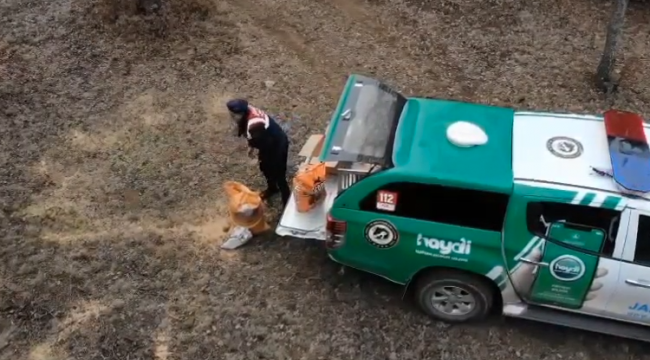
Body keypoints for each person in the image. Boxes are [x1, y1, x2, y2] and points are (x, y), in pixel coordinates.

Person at [226, 99, 291, 207]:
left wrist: (254, 147)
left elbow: (264, 143)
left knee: (279, 174)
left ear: (240, 113)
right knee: (265, 167)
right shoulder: (247, 109)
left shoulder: (255, 125)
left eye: (234, 115)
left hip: (277, 145)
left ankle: (287, 203)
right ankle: (272, 188)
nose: (232, 117)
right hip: (267, 141)